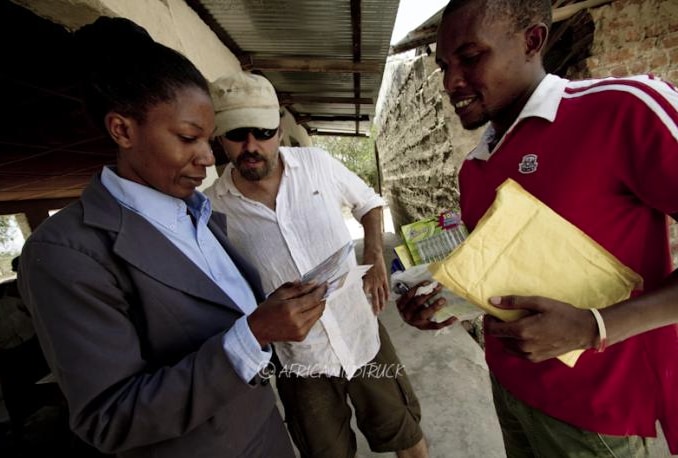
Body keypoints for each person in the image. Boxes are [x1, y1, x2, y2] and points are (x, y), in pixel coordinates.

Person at [17, 17, 328, 458]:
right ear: (122, 129)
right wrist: (254, 333)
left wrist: (267, 312)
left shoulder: (196, 214)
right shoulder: (67, 251)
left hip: (265, 433)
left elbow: (216, 317)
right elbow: (110, 416)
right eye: (187, 138)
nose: (206, 158)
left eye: (207, 139)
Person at [396, 0, 678, 456]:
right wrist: (445, 303)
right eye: (444, 66)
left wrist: (594, 327)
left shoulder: (621, 109)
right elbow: (513, 277)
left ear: (531, 41)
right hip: (511, 391)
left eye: (470, 57)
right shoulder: (477, 166)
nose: (450, 82)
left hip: (595, 415)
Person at [205, 72, 428, 458]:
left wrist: (374, 257)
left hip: (362, 336)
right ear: (219, 138)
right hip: (299, 361)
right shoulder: (212, 208)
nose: (252, 145)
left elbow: (369, 203)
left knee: (404, 434)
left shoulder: (317, 164)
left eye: (263, 132)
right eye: (237, 134)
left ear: (278, 129)